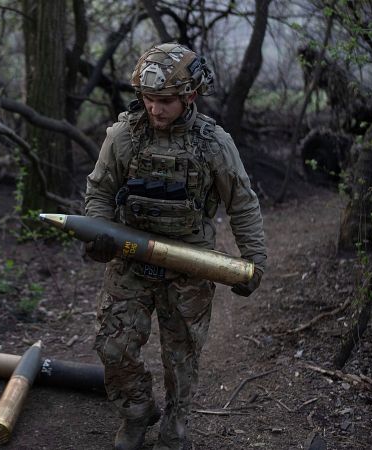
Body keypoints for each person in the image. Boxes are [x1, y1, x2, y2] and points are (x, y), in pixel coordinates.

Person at [84, 42, 267, 450]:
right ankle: (136, 411)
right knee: (113, 345)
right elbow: (99, 190)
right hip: (130, 259)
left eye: (165, 100)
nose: (155, 109)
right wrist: (99, 230)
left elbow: (242, 202)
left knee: (181, 355)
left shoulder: (213, 144)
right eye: (148, 99)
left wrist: (254, 260)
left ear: (190, 96)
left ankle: (176, 421)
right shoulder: (123, 137)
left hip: (190, 264)